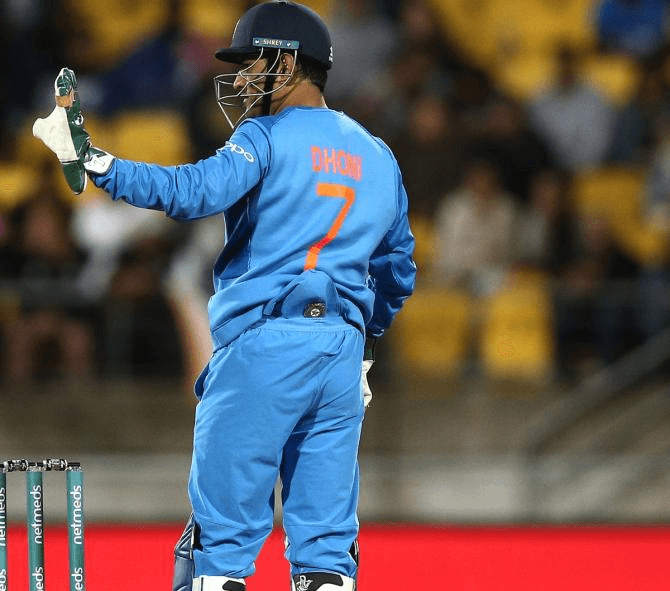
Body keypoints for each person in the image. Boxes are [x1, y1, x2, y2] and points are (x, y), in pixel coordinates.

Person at [32, 2, 416, 590]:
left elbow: (191, 192)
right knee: (325, 552)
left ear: (286, 64)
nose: (240, 77)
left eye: (252, 61)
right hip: (340, 356)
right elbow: (398, 270)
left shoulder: (264, 136)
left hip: (264, 348)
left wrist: (94, 159)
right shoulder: (379, 155)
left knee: (220, 545)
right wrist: (364, 342)